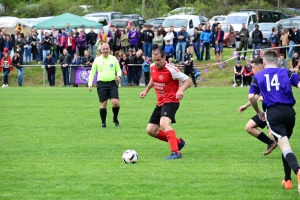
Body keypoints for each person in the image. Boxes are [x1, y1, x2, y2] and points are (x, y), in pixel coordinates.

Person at [248, 50, 300, 192]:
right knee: (285, 144)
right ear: (278, 62)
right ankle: (287, 180)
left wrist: (258, 111)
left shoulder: (258, 76)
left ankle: (297, 171)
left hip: (273, 112)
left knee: (285, 146)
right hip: (290, 112)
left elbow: (251, 96)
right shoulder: (287, 73)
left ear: (263, 63)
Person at [139, 48, 191, 160]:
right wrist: (146, 90)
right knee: (151, 130)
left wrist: (180, 90)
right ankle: (178, 143)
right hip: (160, 102)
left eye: (158, 60)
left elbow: (187, 80)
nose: (156, 63)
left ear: (164, 58)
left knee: (164, 123)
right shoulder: (153, 67)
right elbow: (154, 78)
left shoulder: (171, 69)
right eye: (154, 60)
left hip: (171, 101)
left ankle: (176, 153)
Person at [238, 57, 277, 155]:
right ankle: (271, 143)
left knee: (272, 134)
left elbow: (275, 94)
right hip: (265, 112)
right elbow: (255, 96)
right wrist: (246, 105)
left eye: (254, 67)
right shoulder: (259, 78)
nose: (252, 70)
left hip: (274, 110)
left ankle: (287, 152)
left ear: (260, 67)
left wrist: (263, 98)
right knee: (249, 127)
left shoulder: (269, 77)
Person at [88, 43, 121, 128]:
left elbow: (118, 70)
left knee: (115, 102)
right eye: (104, 49)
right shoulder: (97, 60)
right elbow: (92, 72)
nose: (105, 50)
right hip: (101, 84)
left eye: (107, 49)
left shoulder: (114, 59)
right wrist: (90, 83)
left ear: (109, 49)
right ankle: (103, 123)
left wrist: (118, 75)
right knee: (103, 104)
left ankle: (115, 118)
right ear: (101, 50)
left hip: (112, 83)